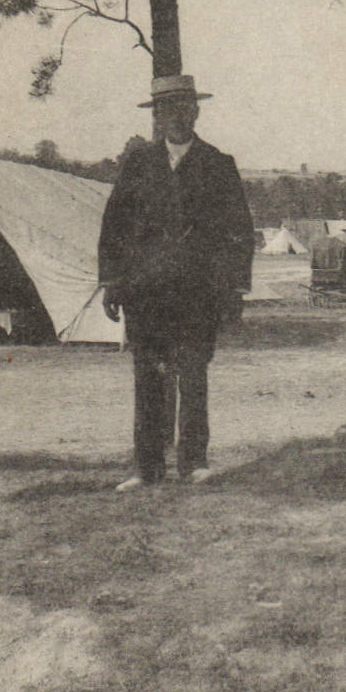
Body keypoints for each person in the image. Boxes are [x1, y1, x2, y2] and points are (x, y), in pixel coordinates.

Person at [99, 75, 255, 492]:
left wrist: (234, 289)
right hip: (145, 292)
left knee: (193, 375)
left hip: (198, 293)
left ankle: (194, 463)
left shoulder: (218, 165)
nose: (176, 117)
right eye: (166, 110)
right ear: (156, 117)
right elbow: (114, 226)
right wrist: (112, 283)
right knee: (149, 377)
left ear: (196, 111)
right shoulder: (138, 164)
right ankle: (146, 467)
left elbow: (239, 231)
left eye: (184, 108)